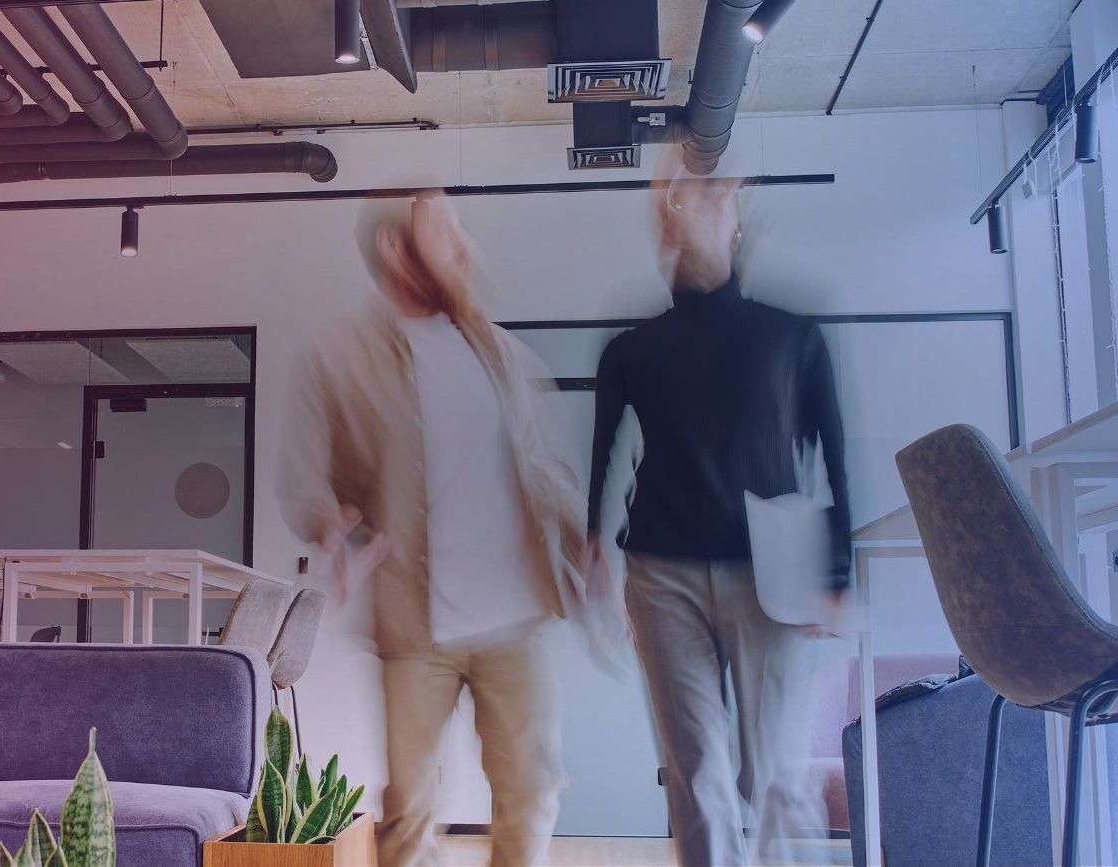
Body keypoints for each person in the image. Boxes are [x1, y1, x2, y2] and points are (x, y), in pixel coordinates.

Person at [283, 190, 591, 867]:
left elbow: (543, 465)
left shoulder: (501, 353)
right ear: (398, 250)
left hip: (514, 621)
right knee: (410, 813)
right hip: (414, 628)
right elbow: (305, 477)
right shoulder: (339, 358)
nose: (464, 248)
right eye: (446, 233)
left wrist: (582, 539)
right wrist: (329, 525)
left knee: (532, 792)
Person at [586, 174, 851, 866]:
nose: (699, 206)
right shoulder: (630, 350)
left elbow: (833, 455)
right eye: (684, 201)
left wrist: (838, 572)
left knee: (773, 772)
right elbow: (604, 458)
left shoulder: (791, 337)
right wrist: (595, 549)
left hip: (770, 574)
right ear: (663, 231)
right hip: (661, 577)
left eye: (716, 197)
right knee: (697, 771)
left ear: (737, 226)